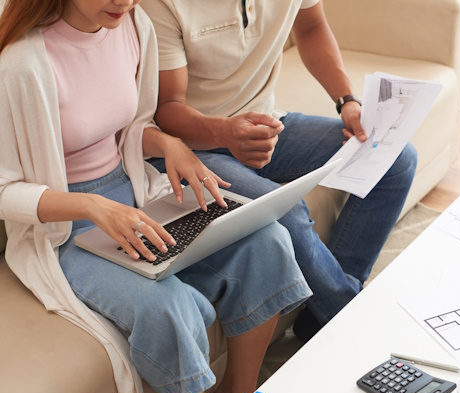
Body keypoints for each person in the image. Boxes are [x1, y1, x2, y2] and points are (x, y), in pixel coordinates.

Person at [0, 0, 312, 393]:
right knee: (165, 305)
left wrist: (169, 145)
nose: (124, 2)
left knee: (266, 240)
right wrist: (93, 206)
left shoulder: (133, 25)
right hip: (67, 226)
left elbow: (132, 124)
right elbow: (4, 189)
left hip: (136, 193)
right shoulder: (21, 62)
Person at [142, 0, 418, 340]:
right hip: (192, 148)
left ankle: (323, 317)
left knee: (396, 160)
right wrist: (226, 132)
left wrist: (347, 100)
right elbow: (168, 108)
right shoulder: (162, 4)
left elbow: (311, 27)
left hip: (268, 124)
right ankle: (351, 326)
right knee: (286, 210)